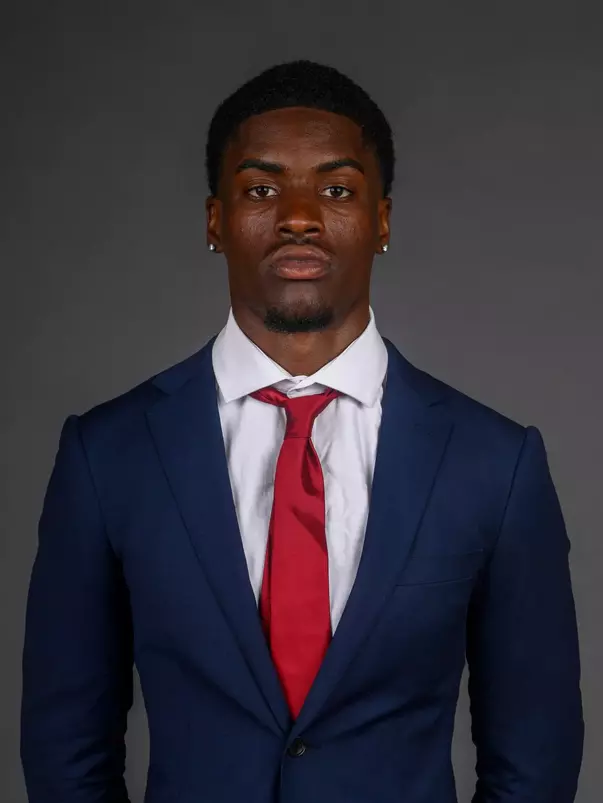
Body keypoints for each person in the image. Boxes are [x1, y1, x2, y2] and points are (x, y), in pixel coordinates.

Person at [21, 60, 584, 803]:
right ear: (215, 221)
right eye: (260, 188)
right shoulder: (108, 455)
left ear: (380, 219)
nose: (297, 215)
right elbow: (67, 748)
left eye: (335, 189)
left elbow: (534, 760)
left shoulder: (494, 464)